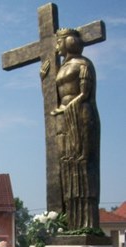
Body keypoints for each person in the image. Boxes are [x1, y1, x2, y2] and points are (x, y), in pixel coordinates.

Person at [51, 28, 100, 230]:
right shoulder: (61, 67)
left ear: (70, 41)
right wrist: (43, 76)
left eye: (59, 41)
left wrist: (70, 107)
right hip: (63, 118)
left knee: (82, 164)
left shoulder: (83, 64)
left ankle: (87, 223)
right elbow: (52, 93)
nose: (57, 45)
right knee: (66, 165)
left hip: (80, 116)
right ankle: (70, 222)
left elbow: (85, 93)